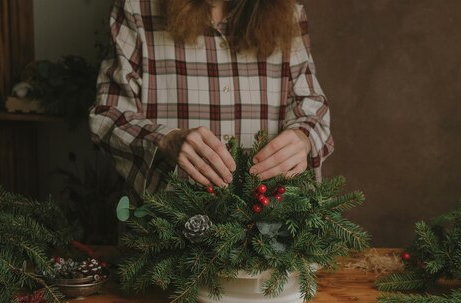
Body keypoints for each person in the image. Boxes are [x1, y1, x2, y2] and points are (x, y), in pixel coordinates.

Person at [89, 0, 333, 202]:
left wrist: (303, 137)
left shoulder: (288, 12)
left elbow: (311, 107)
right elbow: (107, 115)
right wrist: (165, 140)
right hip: (164, 238)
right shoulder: (137, 9)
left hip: (268, 230)